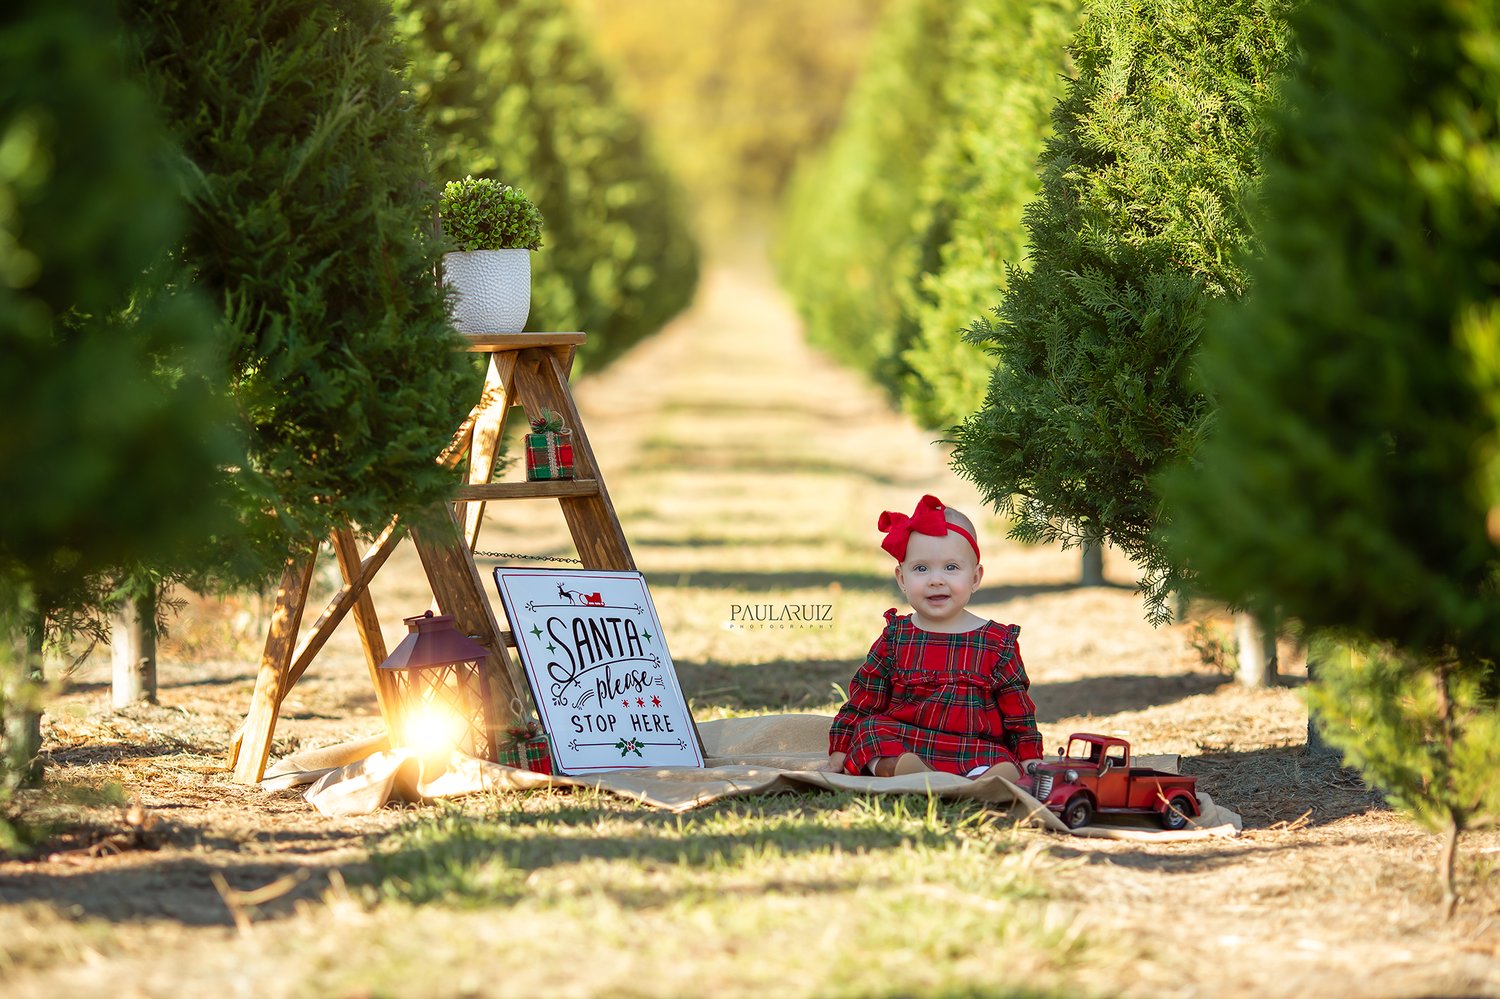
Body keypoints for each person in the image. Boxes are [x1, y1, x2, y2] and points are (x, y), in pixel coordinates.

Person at [821, 495, 1043, 780]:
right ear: (902, 579)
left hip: (972, 746)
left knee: (999, 756)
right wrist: (840, 748)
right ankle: (899, 769)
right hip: (906, 739)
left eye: (951, 568)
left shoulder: (995, 642)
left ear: (975, 578)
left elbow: (1018, 711)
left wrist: (1029, 757)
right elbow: (865, 698)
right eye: (921, 568)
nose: (935, 580)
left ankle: (985, 777)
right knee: (871, 731)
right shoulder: (896, 636)